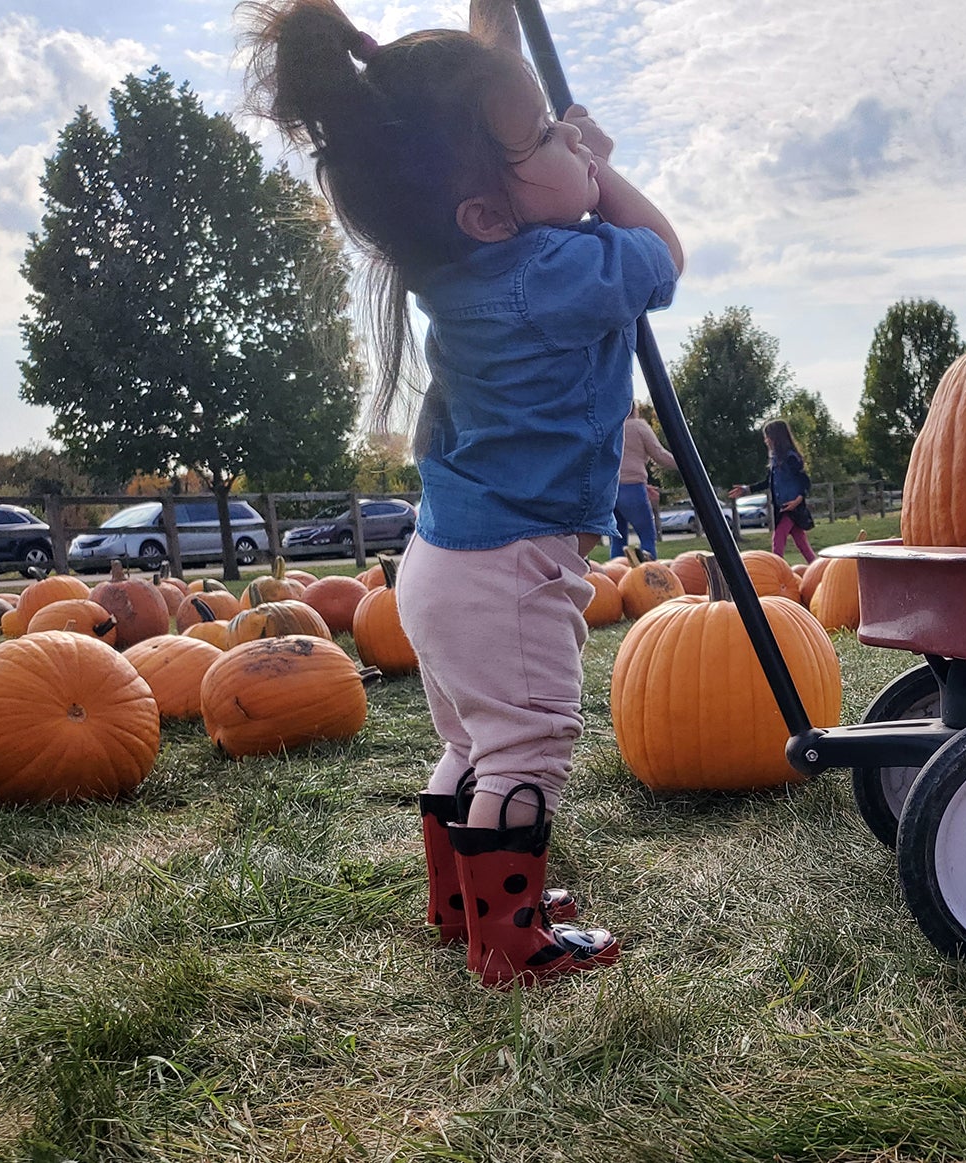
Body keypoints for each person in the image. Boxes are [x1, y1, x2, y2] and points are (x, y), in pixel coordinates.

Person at [241, 0, 683, 988]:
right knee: (527, 743)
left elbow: (490, 108)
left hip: (443, 561)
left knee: (470, 741)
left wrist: (510, 69)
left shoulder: (467, 260)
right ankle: (511, 940)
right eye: (543, 135)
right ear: (485, 211)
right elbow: (661, 254)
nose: (564, 135)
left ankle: (466, 906)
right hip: (512, 564)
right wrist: (601, 167)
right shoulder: (553, 270)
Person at [727, 419, 817, 563]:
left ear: (777, 438)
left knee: (778, 539)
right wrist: (747, 489)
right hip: (782, 508)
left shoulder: (790, 458)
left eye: (767, 437)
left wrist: (798, 500)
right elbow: (767, 482)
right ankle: (818, 567)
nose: (765, 440)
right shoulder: (775, 462)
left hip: (793, 508)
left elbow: (805, 482)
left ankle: (776, 570)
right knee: (801, 544)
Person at [612, 404, 676, 559]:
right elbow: (659, 454)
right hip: (633, 488)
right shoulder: (639, 426)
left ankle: (615, 578)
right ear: (634, 408)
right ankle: (649, 574)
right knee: (647, 535)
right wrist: (687, 464)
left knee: (617, 539)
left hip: (610, 490)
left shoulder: (610, 426)